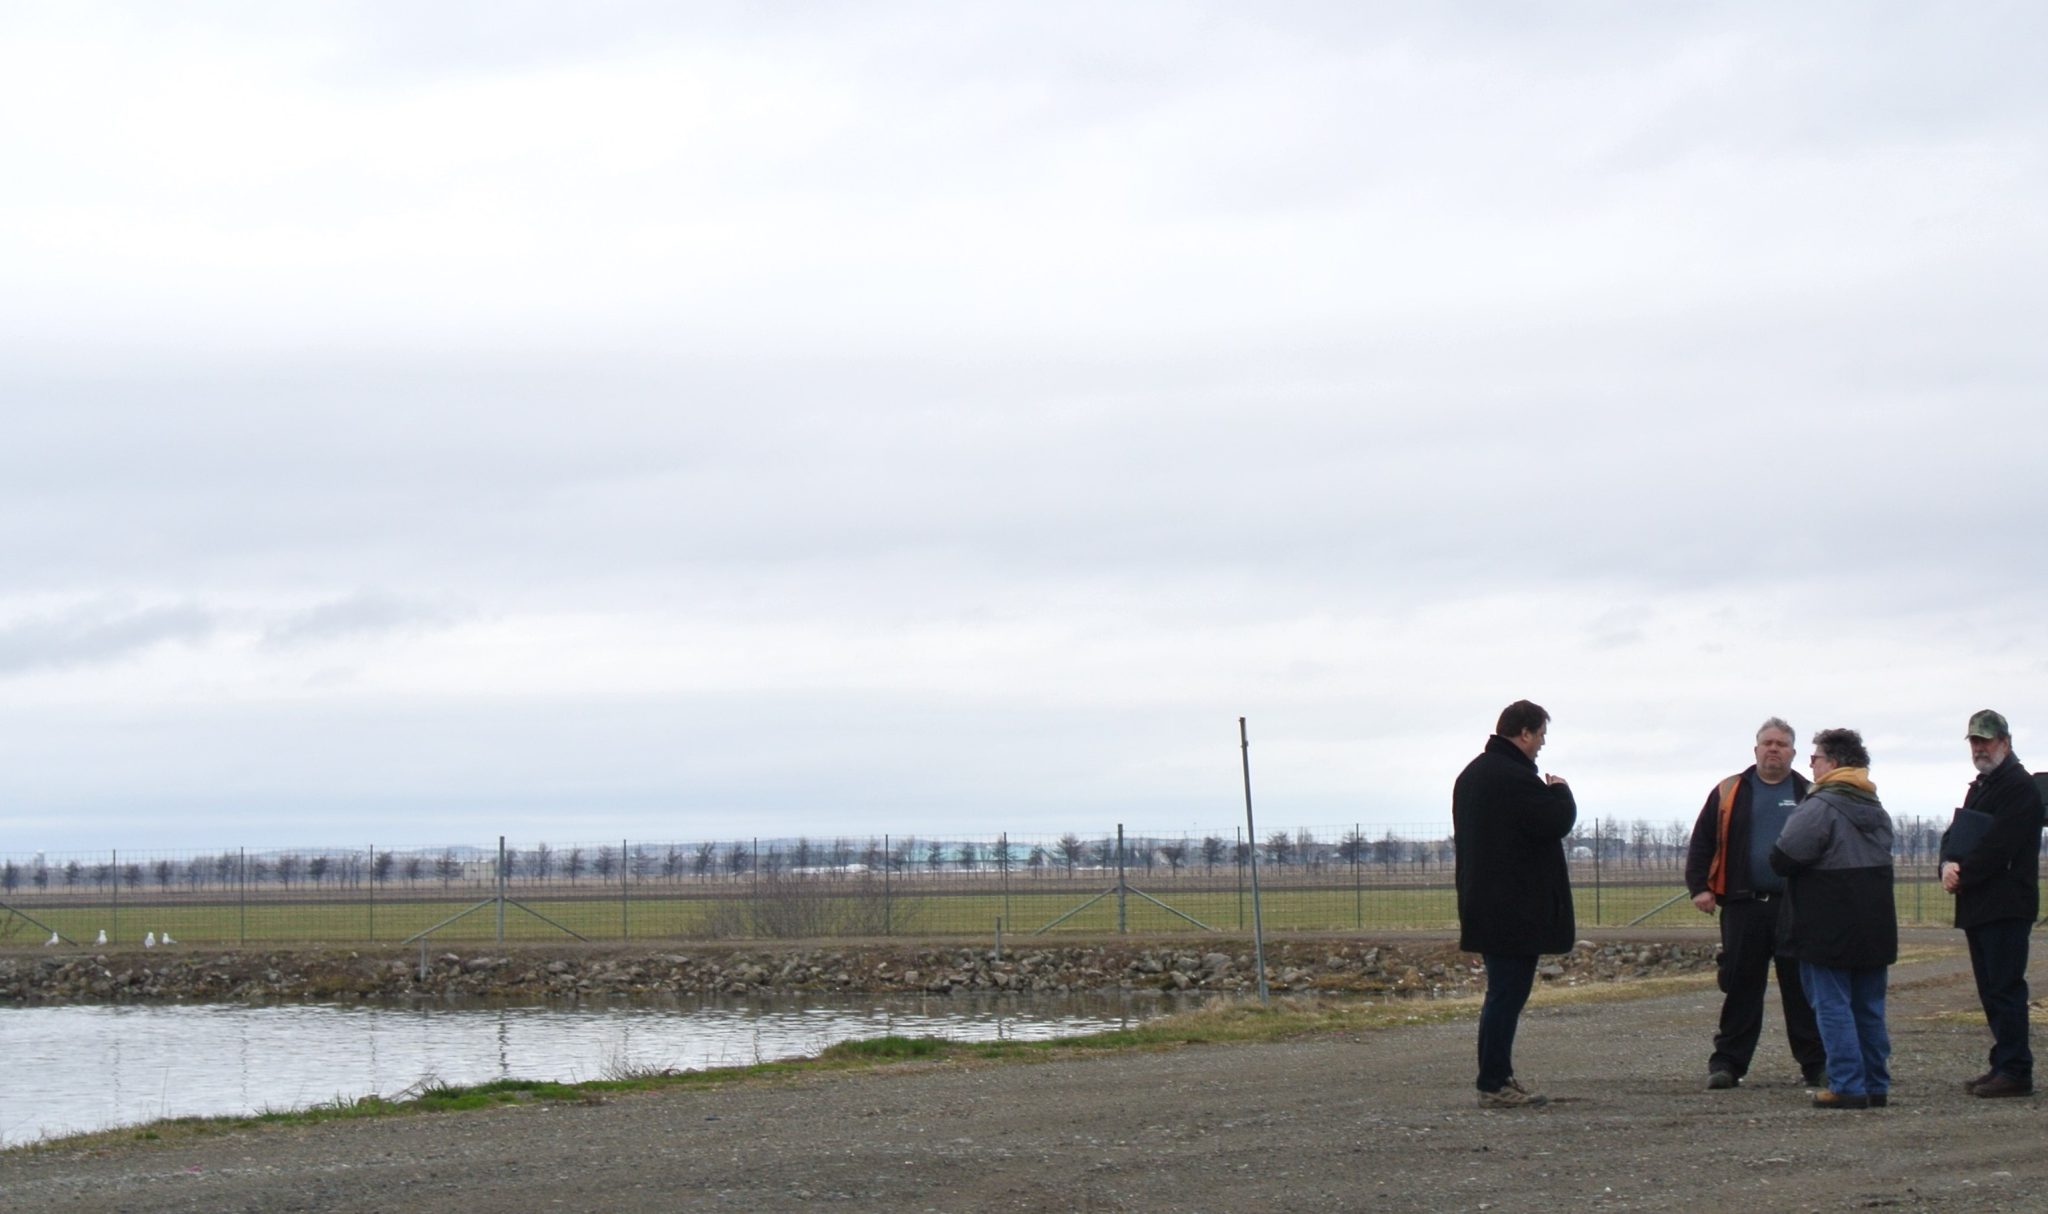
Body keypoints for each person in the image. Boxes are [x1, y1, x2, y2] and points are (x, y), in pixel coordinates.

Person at [1685, 717, 1826, 1090]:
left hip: (1796, 908)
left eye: (1781, 744)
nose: (1774, 749)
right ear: (1756, 749)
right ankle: (1728, 1064)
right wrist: (1700, 887)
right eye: (1768, 743)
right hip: (1743, 906)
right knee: (1741, 987)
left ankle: (1816, 1064)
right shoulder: (1729, 791)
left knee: (1802, 989)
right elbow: (1702, 842)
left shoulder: (1810, 794)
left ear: (1793, 753)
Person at [1453, 699, 1577, 1109]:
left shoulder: (1472, 775)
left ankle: (1498, 1077)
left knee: (1501, 994)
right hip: (1513, 911)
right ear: (1524, 733)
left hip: (1486, 905)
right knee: (1506, 996)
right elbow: (1556, 821)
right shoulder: (1513, 778)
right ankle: (1493, 1082)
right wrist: (1561, 791)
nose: (1542, 743)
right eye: (1540, 734)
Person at [1769, 728, 1897, 1109]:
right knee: (1869, 1007)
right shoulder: (1875, 807)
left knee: (1832, 1005)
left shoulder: (1820, 806)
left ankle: (1846, 1084)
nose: (1811, 765)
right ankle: (1875, 1083)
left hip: (1827, 924)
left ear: (1834, 763)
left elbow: (1783, 857)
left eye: (1816, 758)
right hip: (1874, 922)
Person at [1939, 709, 2045, 1098]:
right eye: (1975, 741)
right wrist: (1946, 864)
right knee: (1990, 990)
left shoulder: (2019, 788)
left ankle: (2016, 1070)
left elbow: (1999, 846)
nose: (1979, 748)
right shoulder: (1982, 786)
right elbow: (1956, 834)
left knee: (2005, 988)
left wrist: (1962, 873)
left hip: (2006, 906)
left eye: (1985, 740)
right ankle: (2003, 1062)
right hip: (1980, 905)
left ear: (2005, 742)